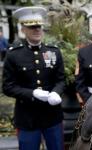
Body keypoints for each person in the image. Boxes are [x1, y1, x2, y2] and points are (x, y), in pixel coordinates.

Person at [2, 6, 65, 150]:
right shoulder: (14, 55)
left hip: (52, 117)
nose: (37, 30)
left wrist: (57, 91)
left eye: (39, 26)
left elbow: (60, 80)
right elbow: (8, 87)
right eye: (32, 27)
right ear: (23, 29)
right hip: (27, 118)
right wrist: (32, 93)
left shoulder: (53, 51)